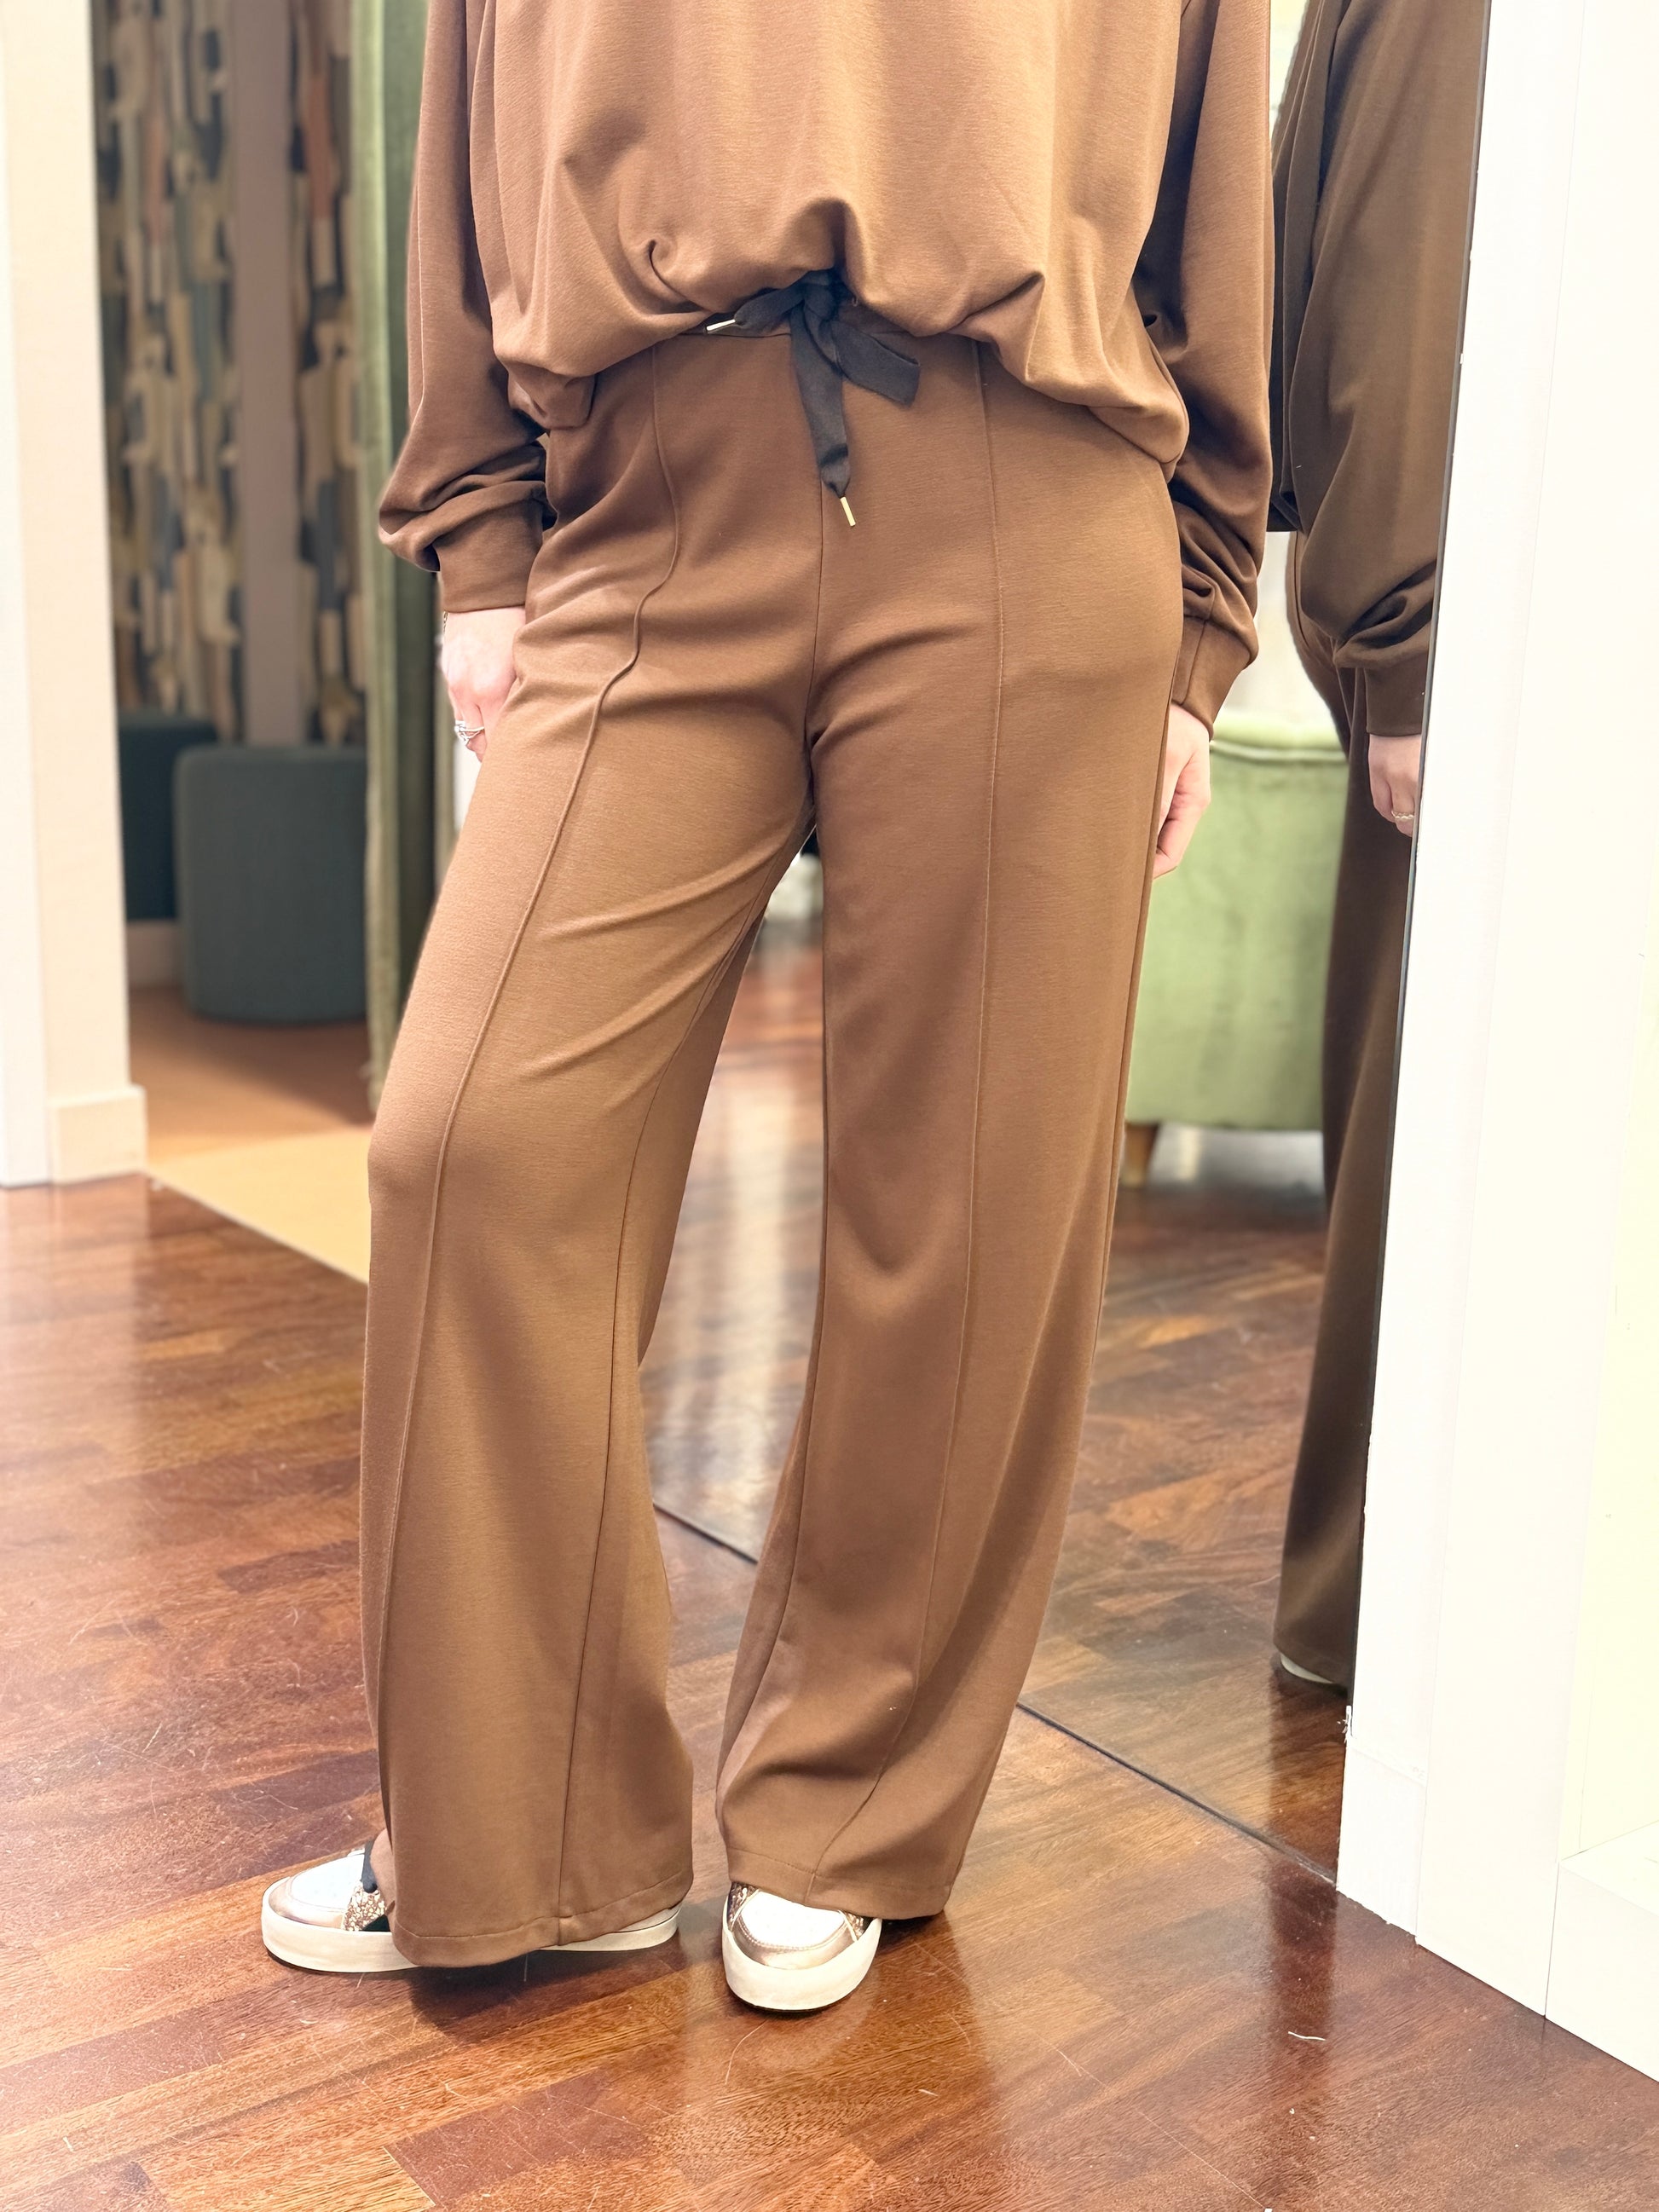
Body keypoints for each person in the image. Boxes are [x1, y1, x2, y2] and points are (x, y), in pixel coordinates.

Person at [261, 0, 1271, 2010]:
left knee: (962, 1206)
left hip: (1024, 467)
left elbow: (1212, 133)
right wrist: (479, 541)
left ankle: (845, 1804)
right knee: (472, 1139)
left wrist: (1201, 605)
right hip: (645, 489)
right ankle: (528, 1821)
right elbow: (473, 84)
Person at [1269, 0, 1485, 1694]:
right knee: (1435, 1155)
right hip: (1478, 643)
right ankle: (1378, 1621)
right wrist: (1404, 645)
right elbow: (1398, 272)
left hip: (1495, 626)